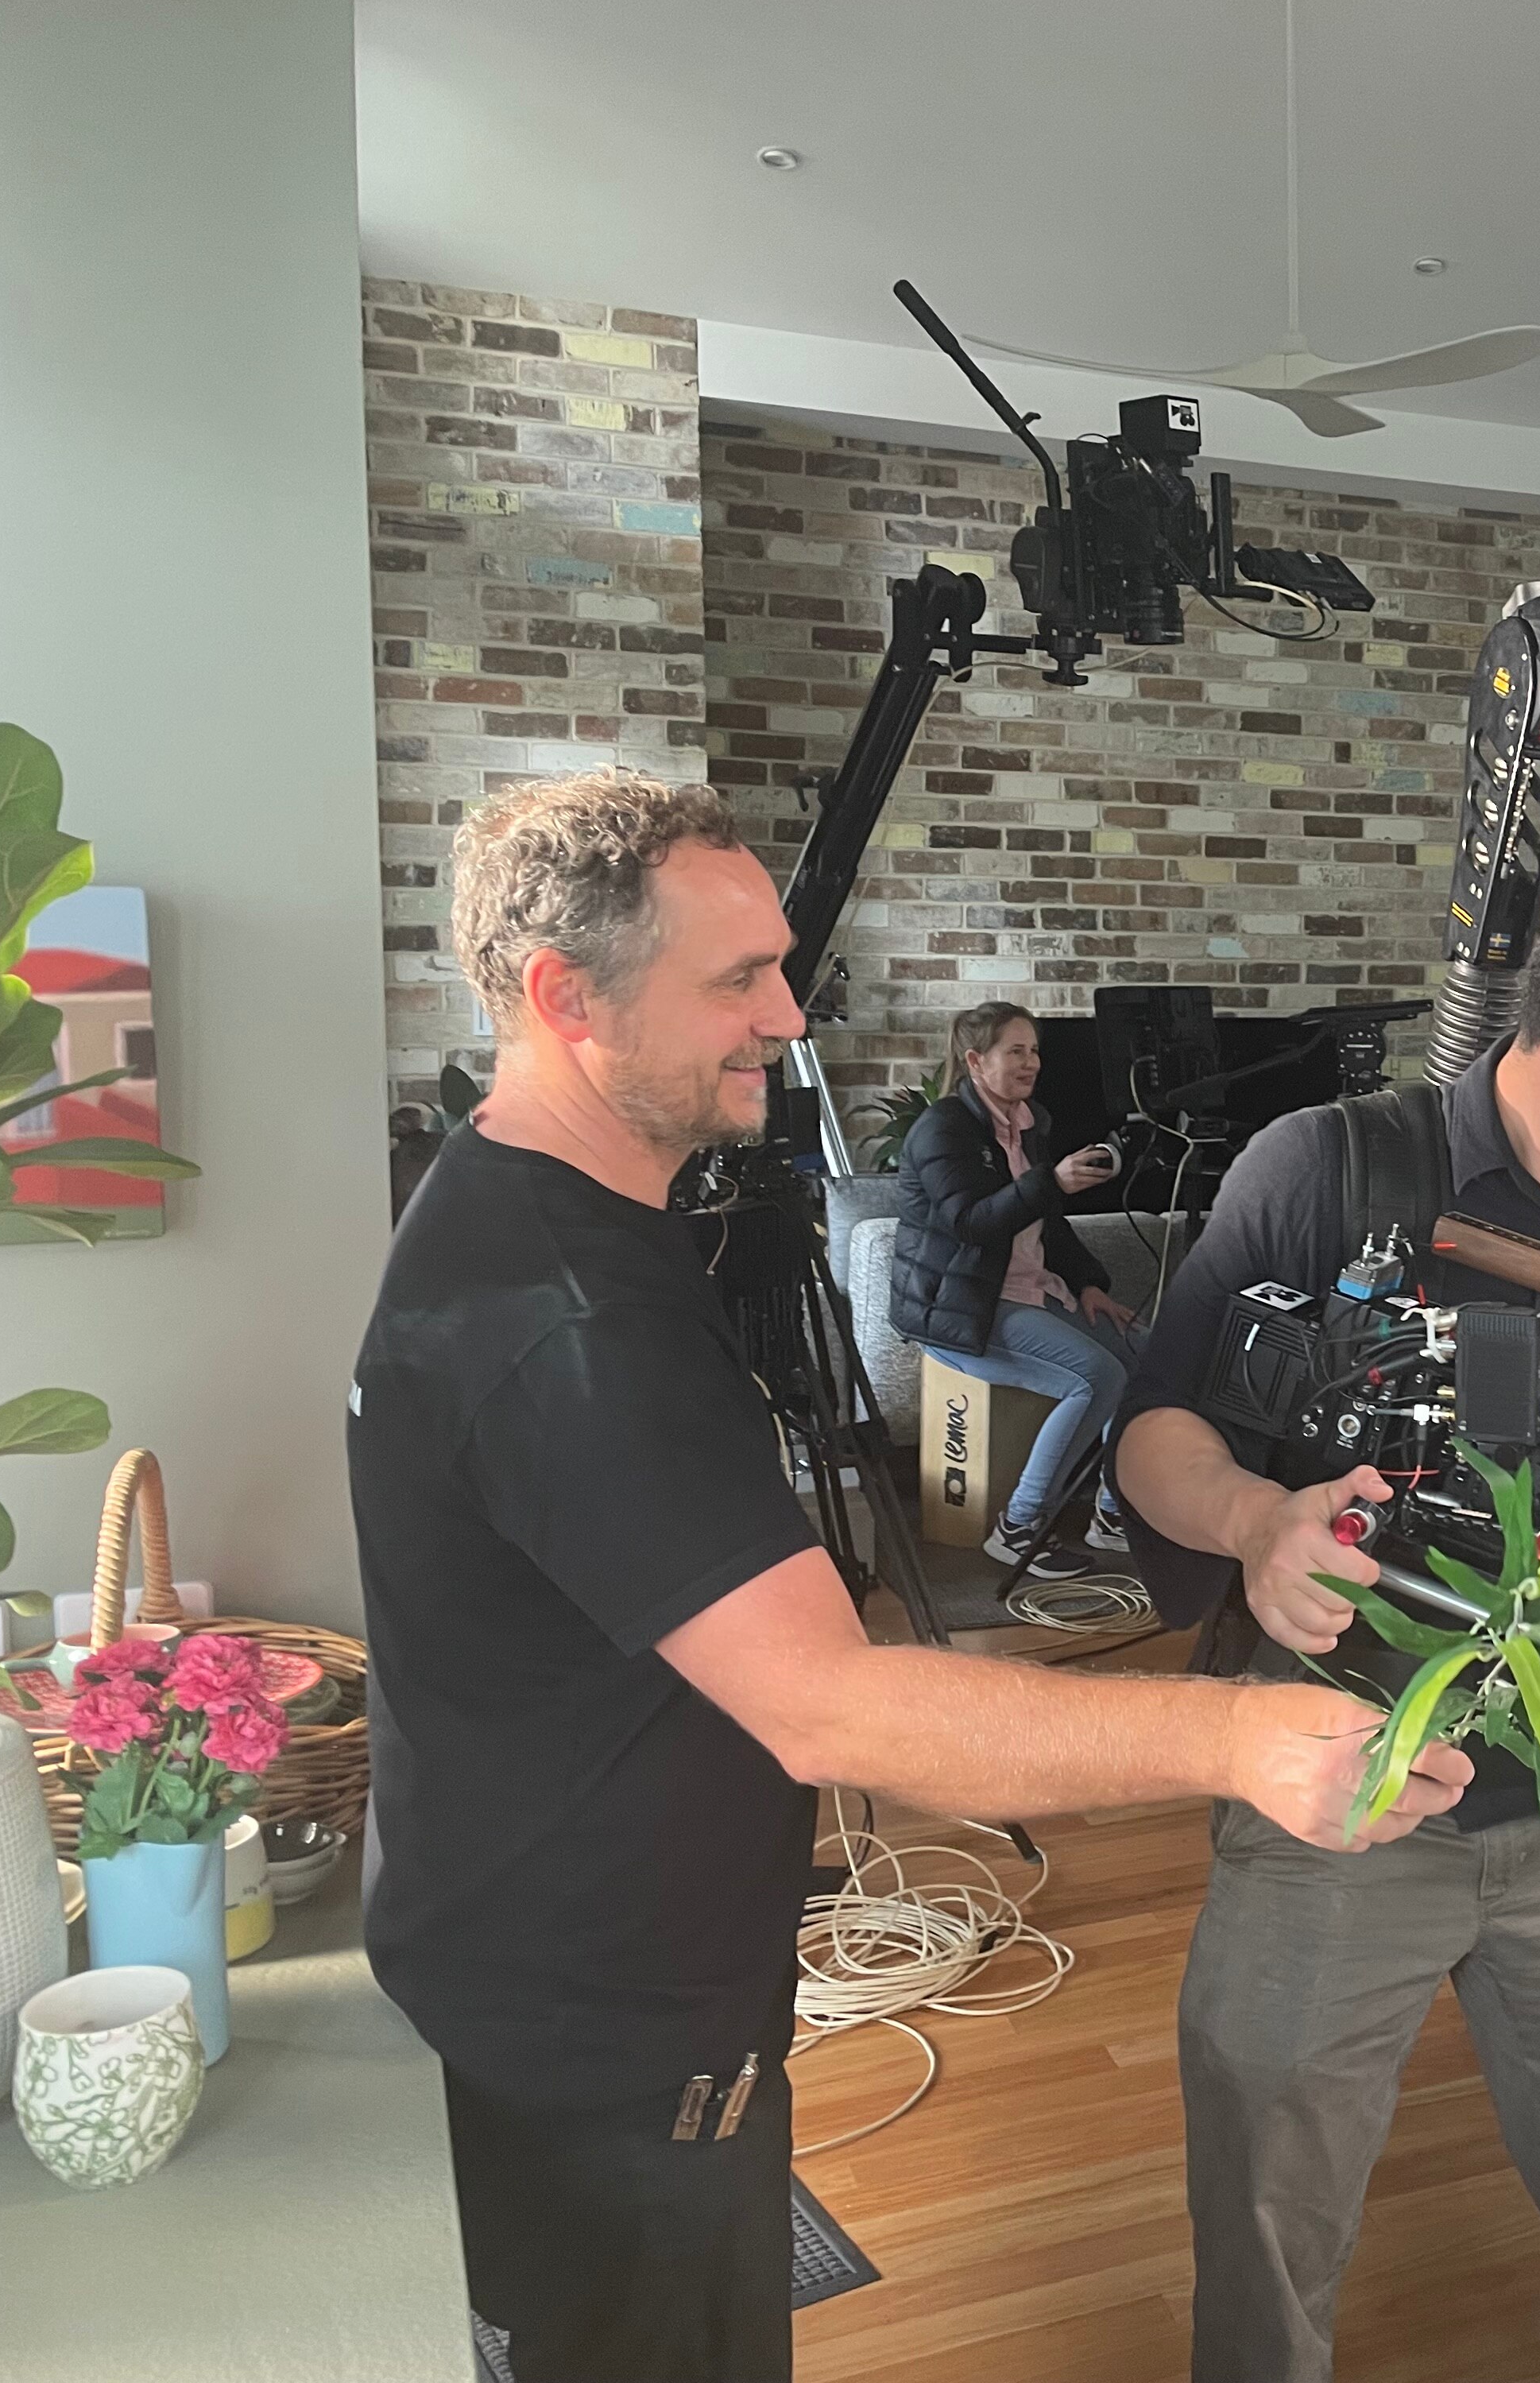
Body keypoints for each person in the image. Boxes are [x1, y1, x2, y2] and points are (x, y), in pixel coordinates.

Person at [350, 769, 1467, 2383]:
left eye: (779, 966)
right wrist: (1234, 1740)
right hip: (590, 2050)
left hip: (592, 1994)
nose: (788, 1014)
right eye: (737, 978)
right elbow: (837, 1710)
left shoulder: (528, 1211)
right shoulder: (560, 1318)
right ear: (561, 998)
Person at [1112, 847, 1540, 2383]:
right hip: (1333, 1774)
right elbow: (1153, 1427)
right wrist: (1253, 1521)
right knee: (1269, 2239)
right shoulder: (1323, 1164)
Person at [892, 1000, 1133, 1573]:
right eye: (1016, 1051)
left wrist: (1089, 1284)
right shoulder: (943, 1127)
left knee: (1147, 1357)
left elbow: (1046, 1222)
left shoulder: (1031, 1124)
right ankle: (1020, 1526)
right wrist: (1050, 1182)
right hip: (961, 1309)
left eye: (1034, 1051)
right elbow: (970, 1222)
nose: (1032, 1063)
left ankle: (1111, 1512)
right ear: (976, 1062)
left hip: (1029, 1292)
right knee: (1097, 1376)